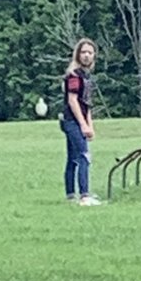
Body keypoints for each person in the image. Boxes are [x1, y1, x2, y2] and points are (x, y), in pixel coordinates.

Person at [61, 38, 100, 206]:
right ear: (77, 54)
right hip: (71, 121)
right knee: (84, 155)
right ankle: (84, 195)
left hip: (79, 120)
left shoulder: (86, 76)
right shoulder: (74, 76)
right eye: (83, 52)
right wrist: (83, 125)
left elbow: (87, 104)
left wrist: (90, 125)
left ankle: (71, 195)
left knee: (73, 158)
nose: (86, 55)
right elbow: (73, 101)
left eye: (90, 52)